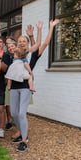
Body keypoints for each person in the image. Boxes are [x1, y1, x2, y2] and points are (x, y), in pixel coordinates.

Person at [10, 19, 59, 152]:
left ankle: (24, 140)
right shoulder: (14, 54)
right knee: (13, 113)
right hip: (14, 86)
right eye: (19, 41)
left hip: (26, 86)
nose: (21, 42)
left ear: (26, 43)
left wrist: (50, 27)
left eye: (23, 41)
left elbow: (44, 43)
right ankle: (21, 132)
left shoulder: (33, 54)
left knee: (21, 113)